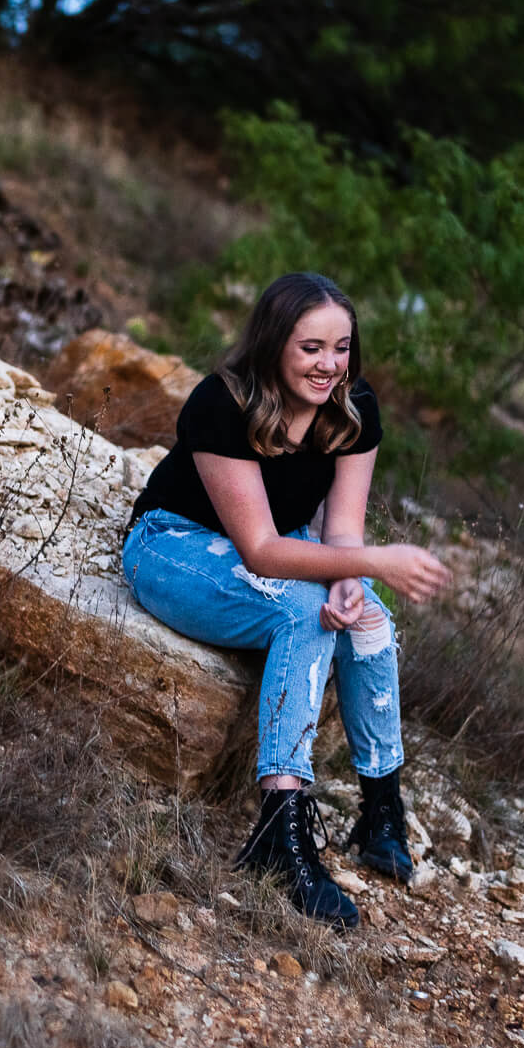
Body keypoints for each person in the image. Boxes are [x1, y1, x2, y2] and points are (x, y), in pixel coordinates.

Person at [122, 272, 451, 928]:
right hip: (176, 545)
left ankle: (381, 808)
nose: (330, 365)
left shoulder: (354, 408)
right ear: (274, 344)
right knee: (300, 612)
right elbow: (264, 552)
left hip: (281, 544)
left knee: (368, 620)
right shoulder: (222, 403)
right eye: (311, 348)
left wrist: (350, 580)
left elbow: (342, 532)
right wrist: (371, 562)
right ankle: (280, 828)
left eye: (342, 347)